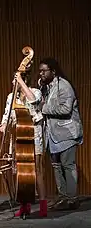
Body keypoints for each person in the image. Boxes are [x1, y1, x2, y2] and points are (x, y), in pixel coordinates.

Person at [0, 71, 47, 218]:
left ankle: (43, 206)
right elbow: (7, 113)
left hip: (33, 133)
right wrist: (3, 124)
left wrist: (21, 83)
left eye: (16, 80)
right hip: (18, 134)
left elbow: (33, 101)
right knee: (20, 173)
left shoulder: (35, 92)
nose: (14, 83)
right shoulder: (11, 96)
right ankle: (24, 206)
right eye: (14, 80)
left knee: (36, 170)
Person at [38, 57, 83, 210]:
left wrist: (43, 108)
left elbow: (65, 109)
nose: (41, 74)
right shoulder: (48, 87)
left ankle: (72, 199)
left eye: (44, 71)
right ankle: (63, 197)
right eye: (40, 71)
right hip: (54, 135)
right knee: (57, 166)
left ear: (53, 71)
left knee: (68, 165)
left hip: (66, 133)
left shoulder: (64, 86)